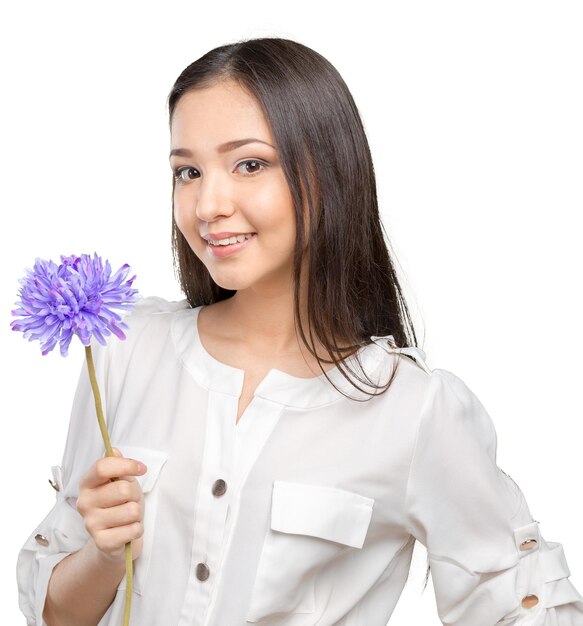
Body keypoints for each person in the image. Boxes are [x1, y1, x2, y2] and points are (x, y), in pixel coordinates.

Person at [16, 37, 583, 626]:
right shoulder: (123, 351)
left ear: (328, 171)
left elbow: (520, 605)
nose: (207, 203)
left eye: (250, 164)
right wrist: (106, 554)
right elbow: (53, 613)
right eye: (188, 170)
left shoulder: (412, 411)